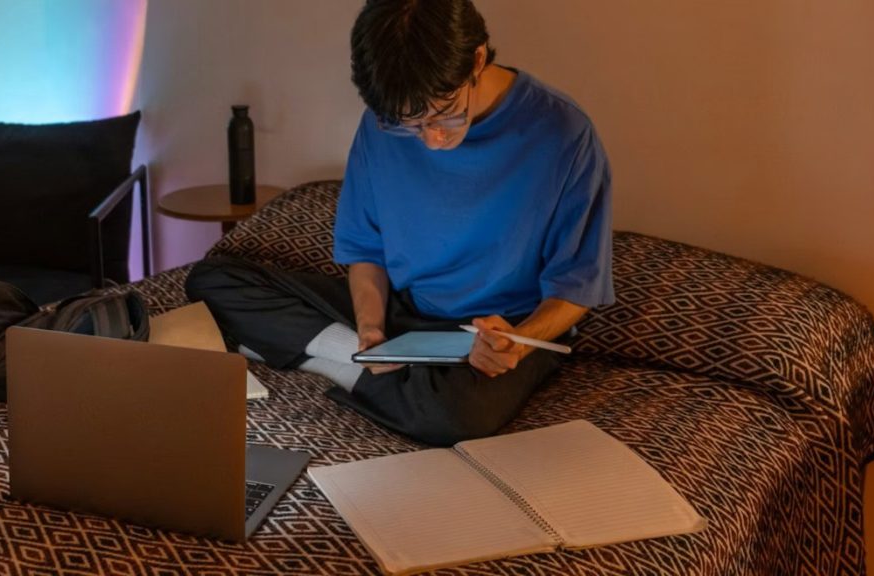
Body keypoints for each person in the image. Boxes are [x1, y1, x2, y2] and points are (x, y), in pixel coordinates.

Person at [186, 0, 613, 446]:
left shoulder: (564, 133)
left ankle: (328, 357)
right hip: (402, 314)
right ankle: (356, 360)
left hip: (499, 333)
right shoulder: (381, 124)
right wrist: (370, 330)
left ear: (478, 59)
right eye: (411, 125)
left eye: (444, 112)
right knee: (213, 280)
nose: (432, 140)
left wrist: (520, 342)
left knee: (455, 415)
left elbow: (576, 285)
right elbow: (367, 250)